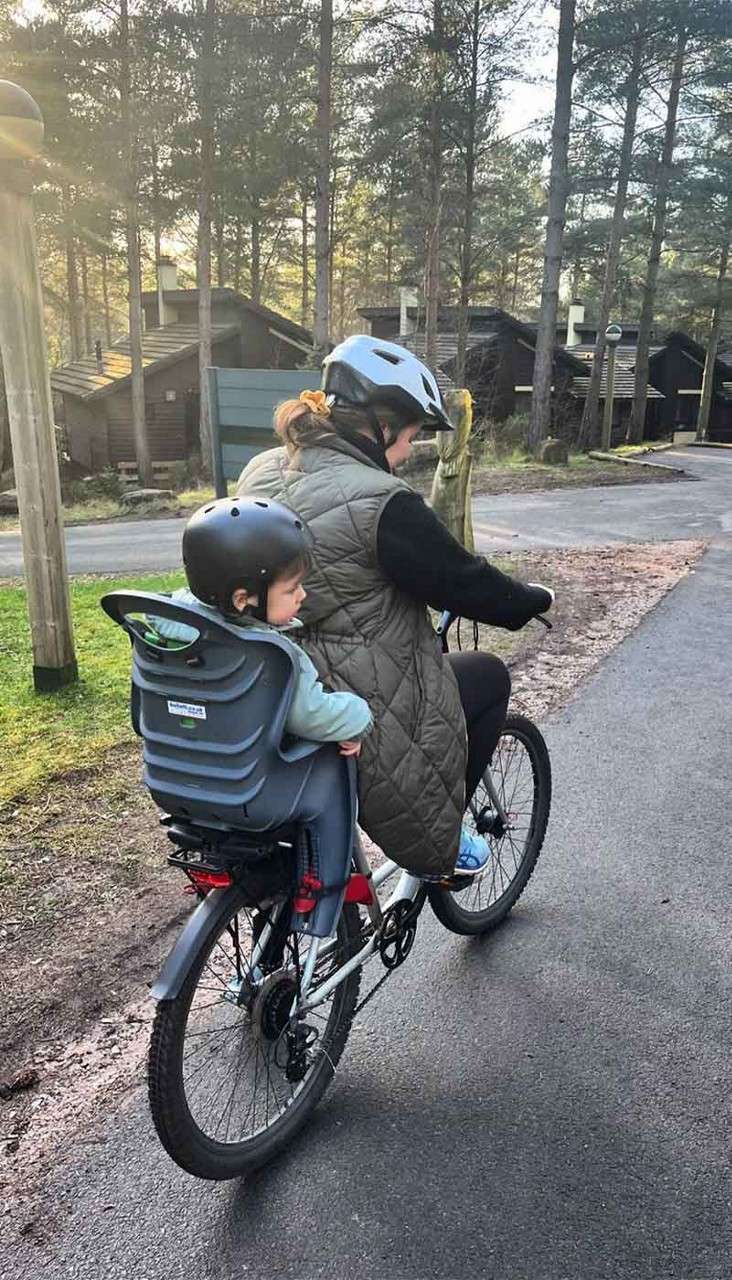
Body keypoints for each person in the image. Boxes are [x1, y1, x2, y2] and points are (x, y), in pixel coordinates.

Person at [235, 334, 554, 881]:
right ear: (380, 427)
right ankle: (449, 836)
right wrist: (528, 601)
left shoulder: (262, 469)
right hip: (357, 698)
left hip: (276, 687)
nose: (409, 453)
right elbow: (461, 579)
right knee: (486, 677)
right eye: (409, 437)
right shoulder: (383, 503)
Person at [154, 496, 373, 757]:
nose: (302, 595)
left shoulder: (164, 623)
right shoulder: (270, 653)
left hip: (180, 765)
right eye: (292, 589)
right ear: (243, 599)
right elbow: (311, 716)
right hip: (250, 780)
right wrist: (359, 717)